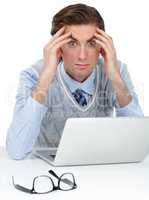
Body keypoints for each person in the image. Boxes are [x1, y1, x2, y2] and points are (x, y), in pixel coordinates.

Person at [6, 3, 143, 160]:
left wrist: (116, 79)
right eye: (72, 43)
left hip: (100, 169)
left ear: (102, 46)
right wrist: (45, 78)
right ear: (57, 46)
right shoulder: (33, 75)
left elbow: (138, 143)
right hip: (46, 173)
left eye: (91, 43)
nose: (83, 56)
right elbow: (16, 151)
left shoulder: (115, 70)